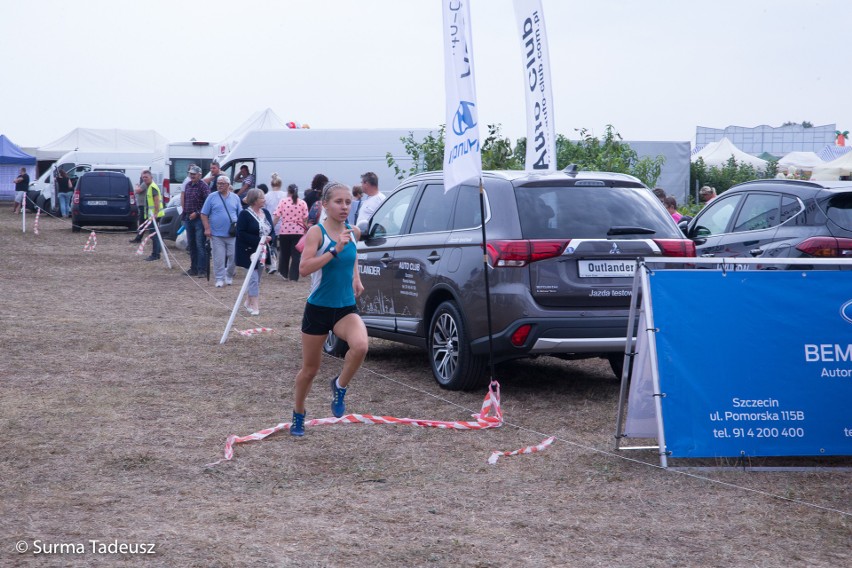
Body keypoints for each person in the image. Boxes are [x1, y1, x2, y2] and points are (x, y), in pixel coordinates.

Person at [290, 181, 367, 437]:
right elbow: (304, 269)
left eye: (348, 202)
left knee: (361, 346)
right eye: (338, 202)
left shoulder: (352, 231)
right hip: (319, 308)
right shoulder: (316, 232)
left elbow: (353, 256)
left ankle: (339, 385)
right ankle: (298, 414)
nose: (344, 207)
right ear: (325, 204)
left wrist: (356, 277)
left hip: (345, 308)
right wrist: (335, 250)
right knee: (310, 370)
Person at [235, 188, 275, 316]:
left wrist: (270, 238)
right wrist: (259, 240)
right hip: (248, 251)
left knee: (256, 279)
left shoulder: (266, 213)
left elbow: (272, 231)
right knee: (252, 278)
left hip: (263, 251)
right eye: (261, 198)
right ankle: (255, 304)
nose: (264, 200)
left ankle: (248, 301)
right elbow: (240, 233)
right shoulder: (244, 214)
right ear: (254, 200)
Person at [201, 176, 242, 287]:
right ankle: (219, 278)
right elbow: (204, 214)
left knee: (233, 257)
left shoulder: (235, 198)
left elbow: (240, 214)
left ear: (228, 185)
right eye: (218, 183)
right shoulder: (211, 197)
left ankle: (228, 275)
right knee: (218, 258)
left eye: (223, 183)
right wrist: (207, 228)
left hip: (232, 233)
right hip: (216, 234)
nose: (220, 185)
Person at [273, 183, 308, 281]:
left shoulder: (283, 202)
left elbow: (277, 216)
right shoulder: (302, 203)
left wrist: (272, 227)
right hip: (298, 231)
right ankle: (294, 276)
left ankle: (284, 273)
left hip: (285, 230)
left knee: (284, 253)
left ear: (288, 191)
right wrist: (306, 229)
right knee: (296, 255)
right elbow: (305, 219)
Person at [181, 165, 210, 277]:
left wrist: (197, 213)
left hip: (199, 219)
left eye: (194, 174)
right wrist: (184, 215)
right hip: (188, 218)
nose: (191, 175)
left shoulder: (204, 186)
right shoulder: (188, 185)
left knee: (200, 244)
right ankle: (193, 268)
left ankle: (202, 270)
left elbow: (207, 204)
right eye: (190, 174)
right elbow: (185, 200)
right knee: (191, 244)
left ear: (199, 174)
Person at [141, 170, 165, 262]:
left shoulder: (152, 187)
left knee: (154, 235)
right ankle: (157, 252)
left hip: (155, 216)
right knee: (154, 235)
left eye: (146, 177)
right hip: (153, 215)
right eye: (143, 177)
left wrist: (155, 214)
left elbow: (156, 201)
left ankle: (155, 254)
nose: (144, 179)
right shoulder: (149, 187)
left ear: (151, 177)